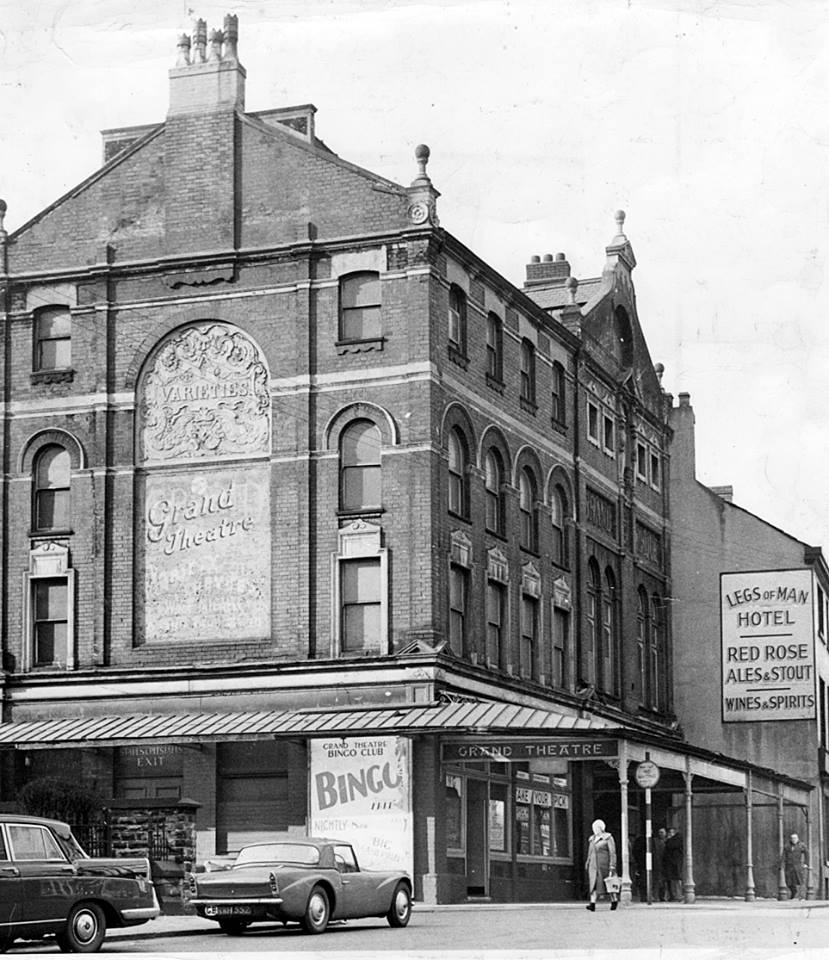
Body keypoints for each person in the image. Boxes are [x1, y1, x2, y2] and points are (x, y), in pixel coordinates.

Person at [585, 818, 619, 911]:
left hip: (604, 866)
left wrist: (612, 865)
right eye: (593, 828)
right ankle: (592, 903)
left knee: (608, 884)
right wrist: (588, 862)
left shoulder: (608, 838)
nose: (594, 829)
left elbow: (612, 852)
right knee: (593, 884)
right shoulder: (592, 839)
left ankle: (614, 900)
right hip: (593, 866)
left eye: (596, 828)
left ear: (601, 828)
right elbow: (590, 852)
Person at [782, 832, 808, 900]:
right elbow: (783, 856)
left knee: (800, 881)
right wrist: (782, 865)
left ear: (797, 838)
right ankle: (794, 892)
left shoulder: (801, 845)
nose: (794, 839)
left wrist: (806, 863)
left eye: (795, 838)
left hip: (797, 866)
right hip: (789, 866)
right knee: (788, 881)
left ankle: (802, 897)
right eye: (792, 838)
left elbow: (807, 854)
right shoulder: (787, 846)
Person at [664, 827, 684, 902]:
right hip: (674, 862)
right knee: (674, 879)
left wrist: (668, 840)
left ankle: (677, 895)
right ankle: (675, 895)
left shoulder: (675, 840)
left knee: (675, 879)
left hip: (674, 862)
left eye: (670, 833)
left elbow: (670, 846)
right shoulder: (676, 840)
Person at [653, 826, 667, 901]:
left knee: (664, 881)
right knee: (658, 880)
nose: (660, 834)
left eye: (662, 832)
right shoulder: (656, 841)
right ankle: (657, 896)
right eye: (659, 832)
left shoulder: (667, 841)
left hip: (665, 863)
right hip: (658, 862)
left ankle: (663, 896)